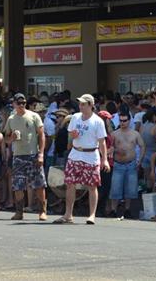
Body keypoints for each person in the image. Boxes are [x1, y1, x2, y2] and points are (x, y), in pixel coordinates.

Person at [55, 94, 109, 225]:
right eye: (80, 104)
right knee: (70, 184)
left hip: (91, 155)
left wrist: (105, 159)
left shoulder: (97, 121)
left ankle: (92, 215)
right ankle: (68, 214)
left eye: (83, 104)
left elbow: (102, 142)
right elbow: (71, 134)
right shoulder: (75, 117)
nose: (81, 106)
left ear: (91, 105)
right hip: (75, 153)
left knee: (92, 186)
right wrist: (73, 135)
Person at [4, 92, 47, 221]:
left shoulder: (34, 116)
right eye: (19, 103)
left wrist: (41, 154)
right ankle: (19, 212)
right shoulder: (11, 119)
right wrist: (11, 138)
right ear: (14, 104)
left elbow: (41, 135)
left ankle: (42, 211)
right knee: (18, 185)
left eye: (23, 103)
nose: (21, 105)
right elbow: (6, 138)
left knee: (39, 184)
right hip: (18, 156)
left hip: (33, 154)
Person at [108, 110, 145, 218]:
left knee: (130, 189)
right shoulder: (114, 134)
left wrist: (140, 160)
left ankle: (127, 209)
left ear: (129, 121)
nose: (122, 123)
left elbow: (142, 146)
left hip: (131, 164)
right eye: (121, 121)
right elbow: (109, 148)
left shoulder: (135, 134)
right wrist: (115, 150)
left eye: (124, 121)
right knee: (115, 188)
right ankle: (113, 210)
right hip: (118, 164)